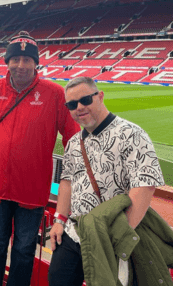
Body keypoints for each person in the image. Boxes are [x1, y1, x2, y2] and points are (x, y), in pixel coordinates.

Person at [0, 31, 80, 286]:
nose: (21, 65)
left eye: (27, 59)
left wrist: (75, 180)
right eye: (15, 59)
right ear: (7, 61)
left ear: (36, 62)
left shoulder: (54, 94)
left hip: (32, 192)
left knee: (24, 249)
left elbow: (73, 141)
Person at [48, 76, 166, 286]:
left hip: (110, 237)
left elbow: (144, 186)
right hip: (74, 233)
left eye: (85, 100)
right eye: (72, 104)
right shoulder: (74, 142)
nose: (79, 108)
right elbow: (67, 182)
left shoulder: (132, 134)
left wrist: (119, 236)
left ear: (100, 96)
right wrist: (59, 221)